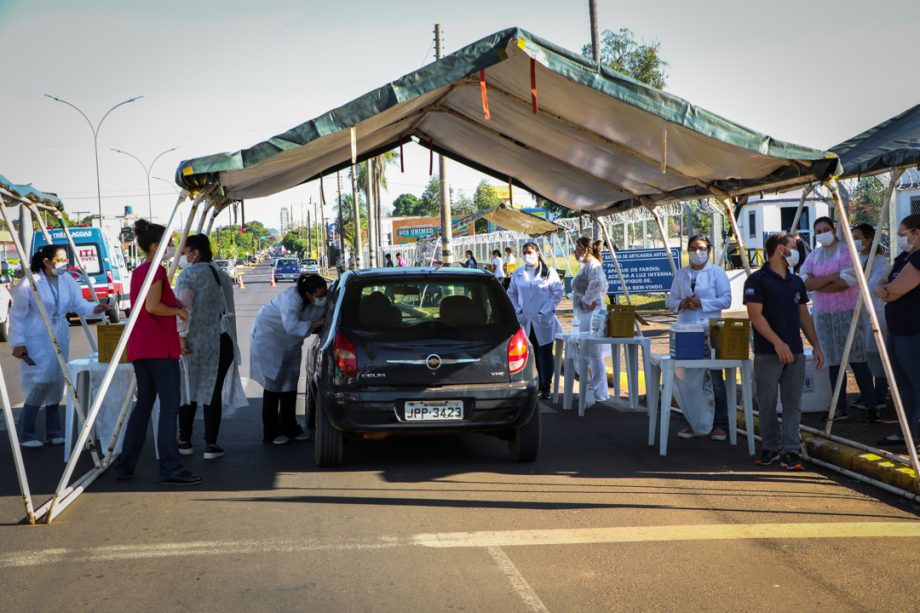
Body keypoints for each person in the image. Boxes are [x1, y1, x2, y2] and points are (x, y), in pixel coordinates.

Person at [115, 219, 201, 485]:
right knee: (169, 407)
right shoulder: (156, 271)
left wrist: (172, 302)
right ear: (155, 245)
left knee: (143, 408)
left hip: (142, 348)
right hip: (159, 349)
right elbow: (152, 307)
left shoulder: (140, 270)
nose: (172, 247)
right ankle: (171, 468)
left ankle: (125, 465)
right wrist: (178, 310)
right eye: (168, 243)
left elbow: (150, 303)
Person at [10, 245, 106, 447]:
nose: (64, 264)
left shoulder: (67, 280)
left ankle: (53, 431)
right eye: (60, 260)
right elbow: (17, 316)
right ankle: (27, 432)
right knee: (40, 381)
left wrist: (94, 308)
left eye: (65, 260)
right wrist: (18, 343)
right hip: (36, 336)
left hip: (60, 331)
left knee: (57, 381)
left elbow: (78, 304)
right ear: (46, 261)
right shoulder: (30, 283)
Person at [745, 232, 824, 471]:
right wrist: (778, 343)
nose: (796, 251)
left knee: (792, 404)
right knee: (767, 403)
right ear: (780, 249)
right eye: (793, 246)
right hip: (768, 352)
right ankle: (769, 447)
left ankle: (791, 451)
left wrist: (816, 345)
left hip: (796, 352)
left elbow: (804, 315)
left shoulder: (796, 281)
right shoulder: (757, 280)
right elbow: (755, 316)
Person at [175, 234, 245, 459]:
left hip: (195, 340)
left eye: (185, 252)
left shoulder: (188, 275)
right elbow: (229, 310)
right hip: (222, 340)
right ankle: (211, 444)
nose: (184, 257)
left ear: (195, 253)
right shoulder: (222, 275)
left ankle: (184, 440)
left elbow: (184, 309)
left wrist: (181, 336)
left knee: (188, 388)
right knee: (211, 392)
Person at [799, 217, 876, 421]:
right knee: (833, 360)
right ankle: (839, 406)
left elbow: (847, 281)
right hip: (824, 315)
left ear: (834, 231)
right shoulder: (814, 255)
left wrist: (820, 284)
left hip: (848, 312)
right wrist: (832, 277)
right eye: (819, 231)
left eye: (826, 229)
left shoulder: (847, 251)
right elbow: (805, 282)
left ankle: (871, 405)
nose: (822, 233)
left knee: (857, 359)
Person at [665, 234, 732, 441]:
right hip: (686, 331)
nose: (697, 252)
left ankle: (720, 424)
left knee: (714, 377)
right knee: (690, 380)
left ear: (709, 250)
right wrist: (682, 303)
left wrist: (701, 302)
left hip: (710, 330)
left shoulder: (717, 273)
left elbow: (726, 300)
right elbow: (670, 300)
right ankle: (694, 421)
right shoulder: (681, 274)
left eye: (701, 248)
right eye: (693, 248)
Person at [251, 273, 327, 444]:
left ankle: (290, 427)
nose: (323, 298)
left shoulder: (313, 300)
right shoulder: (290, 299)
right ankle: (270, 432)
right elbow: (291, 326)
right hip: (270, 337)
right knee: (273, 384)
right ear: (308, 293)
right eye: (319, 295)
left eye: (324, 294)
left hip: (291, 342)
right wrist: (314, 324)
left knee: (290, 383)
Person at [875, 214, 920, 449]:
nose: (900, 239)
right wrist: (888, 290)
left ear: (917, 233)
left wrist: (889, 290)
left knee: (916, 381)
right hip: (897, 328)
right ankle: (906, 431)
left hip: (913, 330)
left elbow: (896, 289)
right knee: (903, 383)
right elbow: (881, 285)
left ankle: (916, 433)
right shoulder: (904, 256)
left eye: (903, 234)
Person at [508, 242, 563, 400]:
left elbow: (557, 293)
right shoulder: (518, 273)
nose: (527, 255)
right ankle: (534, 385)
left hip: (543, 319)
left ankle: (546, 386)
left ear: (538, 253)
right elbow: (511, 293)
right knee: (530, 354)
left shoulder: (548, 272)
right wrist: (518, 309)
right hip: (525, 320)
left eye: (530, 251)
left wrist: (544, 310)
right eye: (524, 252)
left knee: (545, 354)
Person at [851, 223, 891, 420]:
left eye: (858, 237)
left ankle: (880, 393)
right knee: (865, 353)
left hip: (876, 310)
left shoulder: (880, 261)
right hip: (861, 311)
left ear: (868, 239)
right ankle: (869, 393)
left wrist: (856, 280)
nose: (855, 241)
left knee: (878, 353)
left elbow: (875, 284)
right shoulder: (859, 258)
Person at [571, 237, 609, 404]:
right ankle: (596, 390)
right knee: (592, 353)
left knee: (594, 353)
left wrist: (587, 300)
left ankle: (596, 390)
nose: (574, 252)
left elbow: (599, 283)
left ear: (585, 250)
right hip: (587, 312)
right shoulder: (588, 266)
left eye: (577, 249)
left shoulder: (593, 265)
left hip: (592, 313)